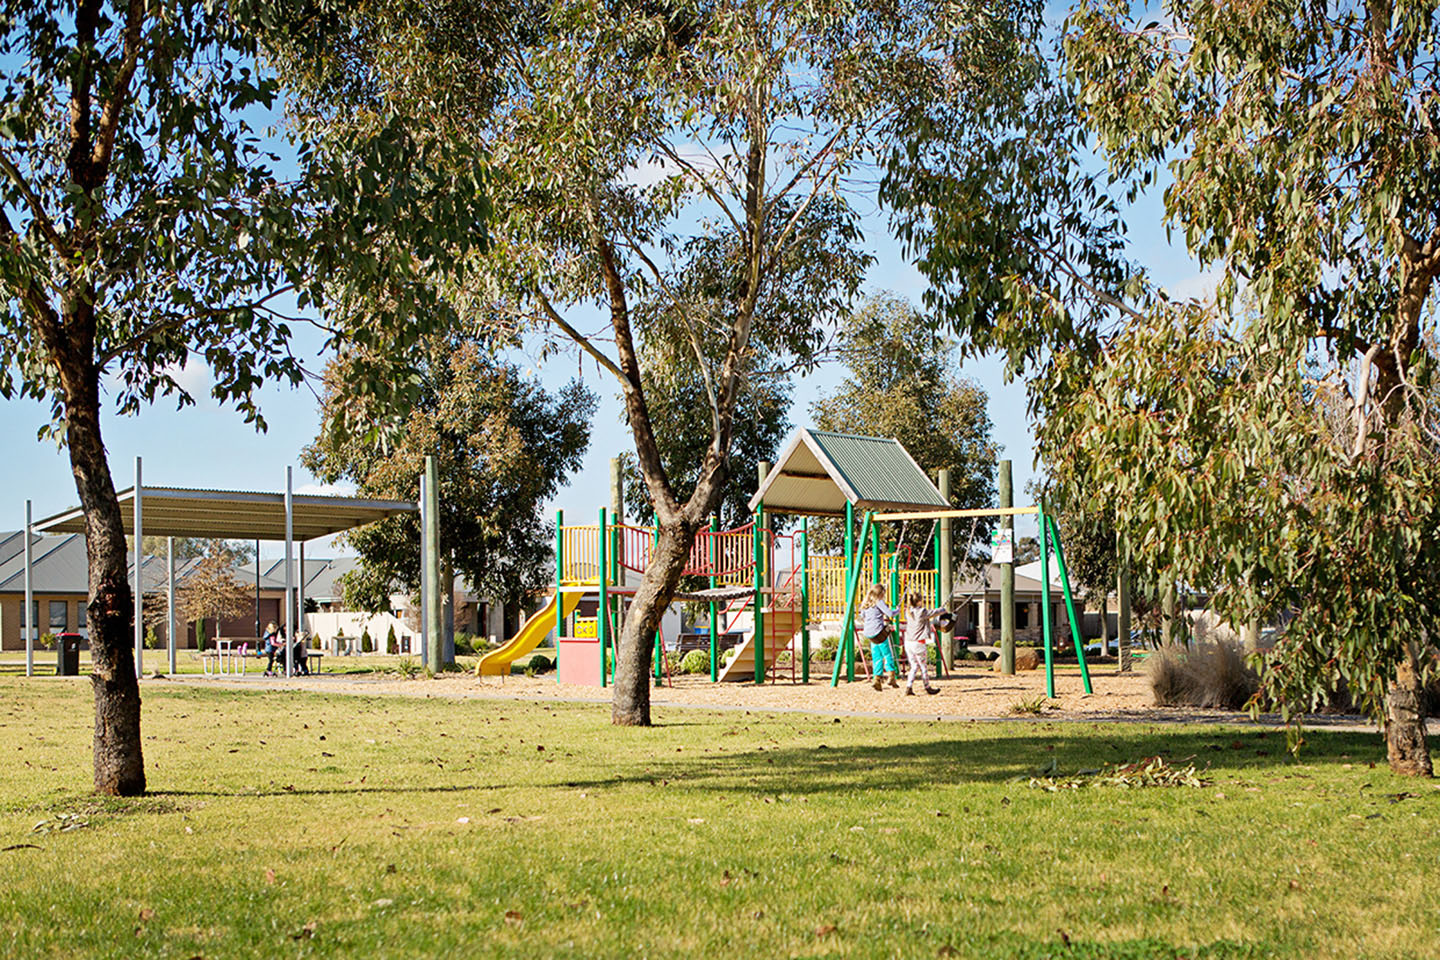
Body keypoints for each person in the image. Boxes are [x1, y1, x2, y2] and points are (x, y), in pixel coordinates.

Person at [902, 591, 943, 696]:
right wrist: (943, 609)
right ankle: (927, 687)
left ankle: (909, 686)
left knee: (914, 666)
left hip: (908, 643)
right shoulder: (921, 611)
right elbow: (933, 613)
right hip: (918, 643)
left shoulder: (909, 612)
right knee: (923, 666)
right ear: (919, 601)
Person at [859, 583, 899, 691]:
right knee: (887, 653)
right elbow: (890, 613)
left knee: (877, 656)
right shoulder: (879, 602)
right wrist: (898, 610)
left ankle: (876, 679)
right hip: (878, 632)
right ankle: (891, 676)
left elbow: (862, 615)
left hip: (869, 633)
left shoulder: (866, 603)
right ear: (881, 594)